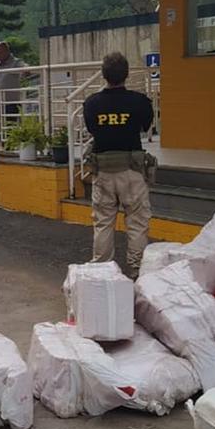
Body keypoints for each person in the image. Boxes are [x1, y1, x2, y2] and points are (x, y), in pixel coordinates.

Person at [82, 51, 155, 278]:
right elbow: (145, 126)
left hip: (103, 171)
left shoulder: (91, 104)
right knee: (137, 222)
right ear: (126, 74)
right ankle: (137, 269)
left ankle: (102, 270)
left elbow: (93, 130)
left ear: (104, 75)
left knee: (103, 223)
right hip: (132, 170)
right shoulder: (140, 102)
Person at [0, 41, 28, 117]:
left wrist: (26, 70)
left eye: (0, 52)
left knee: (11, 125)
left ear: (7, 51)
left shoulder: (15, 62)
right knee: (0, 126)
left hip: (12, 103)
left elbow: (25, 68)